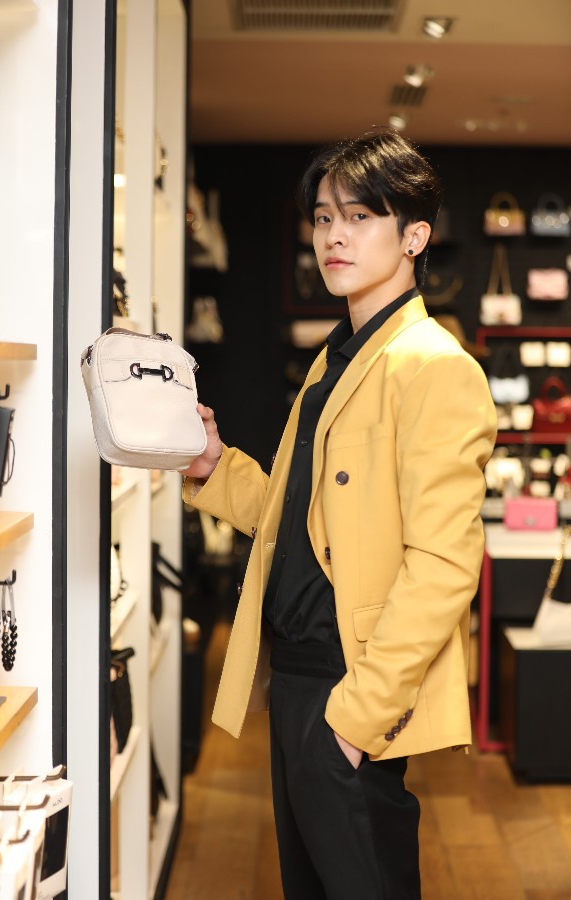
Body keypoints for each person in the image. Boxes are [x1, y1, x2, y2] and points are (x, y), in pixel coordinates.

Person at [181, 130, 497, 899]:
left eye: (359, 216)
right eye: (323, 218)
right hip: (296, 679)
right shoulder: (336, 359)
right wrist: (214, 467)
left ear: (414, 237)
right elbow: (301, 517)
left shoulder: (435, 368)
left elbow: (444, 566)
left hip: (349, 688)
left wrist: (354, 720)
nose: (334, 236)